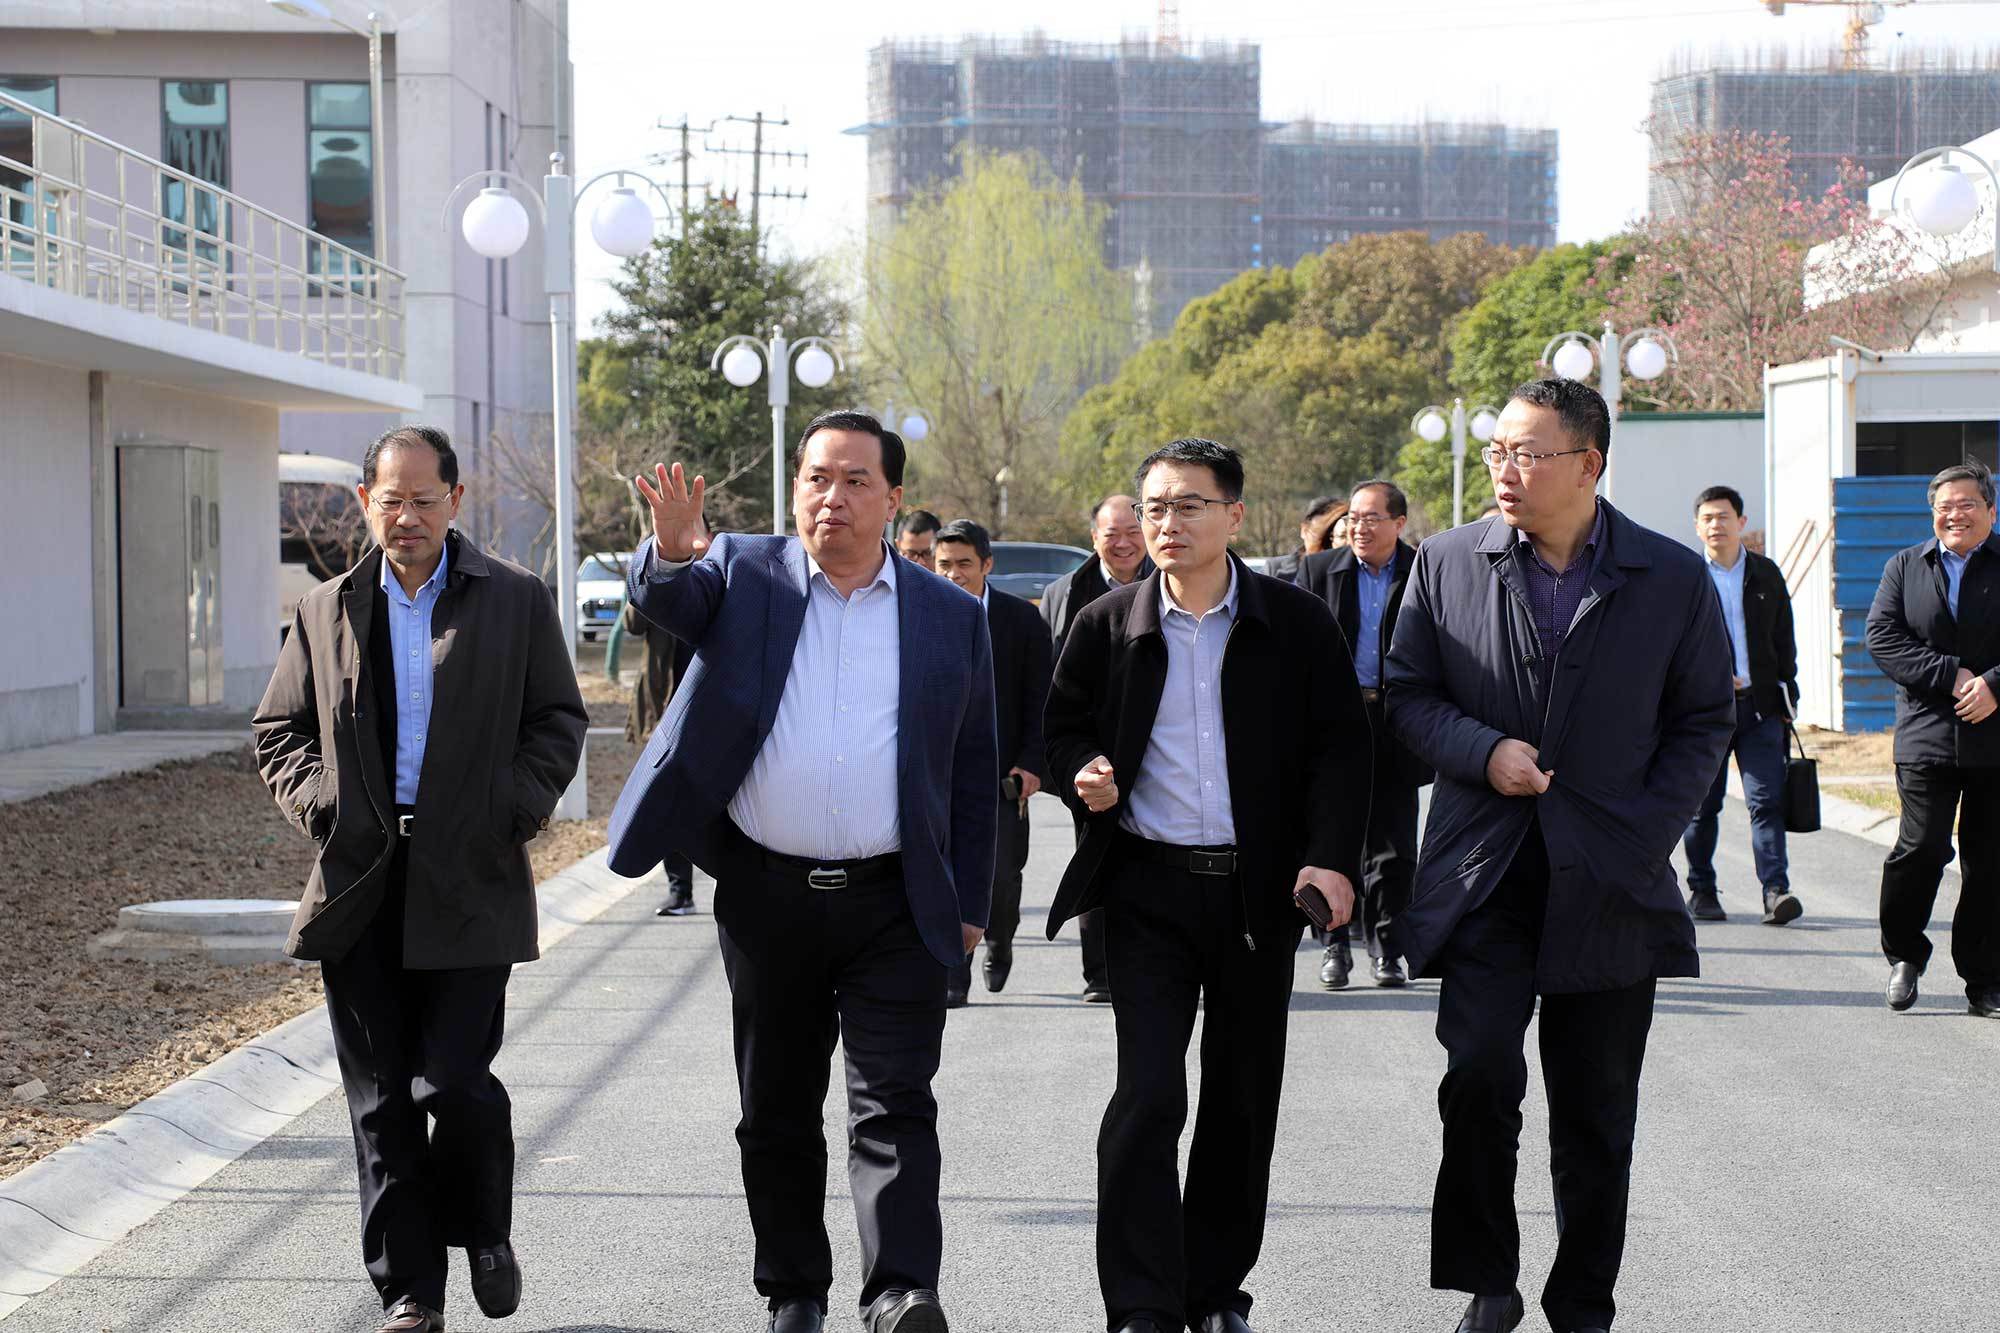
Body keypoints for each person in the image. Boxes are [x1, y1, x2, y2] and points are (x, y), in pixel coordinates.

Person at [607, 411, 997, 1333]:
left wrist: (971, 901)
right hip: (767, 895)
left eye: (857, 480)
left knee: (895, 1102)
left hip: (895, 898)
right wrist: (665, 553)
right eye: (817, 478)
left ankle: (902, 1289)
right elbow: (669, 600)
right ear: (795, 491)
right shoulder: (745, 572)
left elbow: (974, 768)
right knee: (775, 1109)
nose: (834, 496)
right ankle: (794, 1289)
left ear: (895, 500)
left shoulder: (947, 614)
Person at [1385, 380, 1733, 1333]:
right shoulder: (1449, 563)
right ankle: (1487, 1280)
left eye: (1529, 453)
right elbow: (1407, 694)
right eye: (1499, 450)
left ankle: (1581, 1303)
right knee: (1478, 1078)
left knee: (1595, 1116)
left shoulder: (1668, 576)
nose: (1507, 469)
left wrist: (1645, 830)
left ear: (1590, 463)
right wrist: (1481, 750)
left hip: (1610, 879)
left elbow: (1704, 718)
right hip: (1484, 873)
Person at [252, 425, 588, 1333]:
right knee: (382, 1100)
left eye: (423, 500)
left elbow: (557, 719)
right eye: (389, 501)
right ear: (366, 502)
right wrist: (327, 808)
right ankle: (410, 1290)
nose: (405, 517)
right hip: (364, 879)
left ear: (456, 502)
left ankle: (483, 1229)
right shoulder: (326, 609)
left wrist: (511, 809)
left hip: (471, 875)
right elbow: (277, 730)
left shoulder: (513, 601)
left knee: (455, 1080)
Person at [1044, 438, 1372, 1333]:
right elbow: (1061, 728)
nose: (1167, 522)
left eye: (1189, 505)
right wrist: (1086, 771)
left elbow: (1343, 747)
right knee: (1149, 1096)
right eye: (1155, 506)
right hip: (1146, 890)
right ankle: (1141, 1304)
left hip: (1259, 899)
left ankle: (1215, 1291)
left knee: (1239, 1099)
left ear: (1233, 515)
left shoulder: (1295, 624)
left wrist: (1330, 856)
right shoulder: (1107, 623)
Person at [1865, 461, 2000, 1018]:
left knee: (1990, 863)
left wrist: (1994, 683)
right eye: (1945, 505)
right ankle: (1905, 955)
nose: (1955, 514)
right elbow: (1882, 637)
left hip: (1996, 739)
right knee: (1920, 851)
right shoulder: (1905, 566)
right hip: (1927, 735)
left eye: (1967, 503)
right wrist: (1952, 675)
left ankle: (1985, 979)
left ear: (1990, 510)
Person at [1296, 479, 1430, 988]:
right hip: (1336, 722)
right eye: (1353, 517)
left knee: (1393, 848)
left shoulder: (1424, 570)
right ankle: (1334, 945)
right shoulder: (1318, 571)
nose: (1359, 526)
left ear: (1399, 523)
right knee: (1335, 838)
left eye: (1372, 517)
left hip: (1398, 721)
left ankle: (1388, 950)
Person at [931, 518, 1054, 1005]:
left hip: (1002, 779)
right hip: (936, 776)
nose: (954, 574)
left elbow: (1040, 698)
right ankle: (952, 977)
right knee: (944, 875)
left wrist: (1032, 764)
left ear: (987, 565)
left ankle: (999, 938)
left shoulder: (1021, 621)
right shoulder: (920, 613)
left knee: (1000, 877)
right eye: (944, 565)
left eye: (964, 564)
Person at [1040, 494, 1151, 1002]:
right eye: (1112, 534)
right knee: (1096, 854)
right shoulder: (1066, 592)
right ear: (1094, 538)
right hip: (1094, 752)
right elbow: (1052, 681)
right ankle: (1101, 974)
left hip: (1156, 746)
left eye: (1133, 530)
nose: (1124, 543)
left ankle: (1159, 962)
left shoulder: (1171, 580)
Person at [1684, 485, 1803, 926]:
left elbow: (1783, 639)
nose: (1717, 525)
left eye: (1724, 517)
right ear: (1697, 527)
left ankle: (1776, 890)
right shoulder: (1685, 578)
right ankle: (1702, 890)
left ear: (1741, 523)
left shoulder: (1766, 575)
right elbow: (1669, 648)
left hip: (1760, 708)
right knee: (1702, 805)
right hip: (1702, 713)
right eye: (1708, 518)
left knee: (1766, 801)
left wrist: (1788, 693)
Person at [622, 590, 699, 914]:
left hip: (709, 704)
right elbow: (633, 624)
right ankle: (680, 891)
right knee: (668, 799)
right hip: (663, 705)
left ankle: (737, 886)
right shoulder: (658, 577)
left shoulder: (720, 572)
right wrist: (649, 581)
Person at [1263, 494, 1342, 584]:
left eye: (1336, 536)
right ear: (1304, 530)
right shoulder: (1274, 569)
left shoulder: (1350, 573)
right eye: (1319, 535)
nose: (1328, 544)